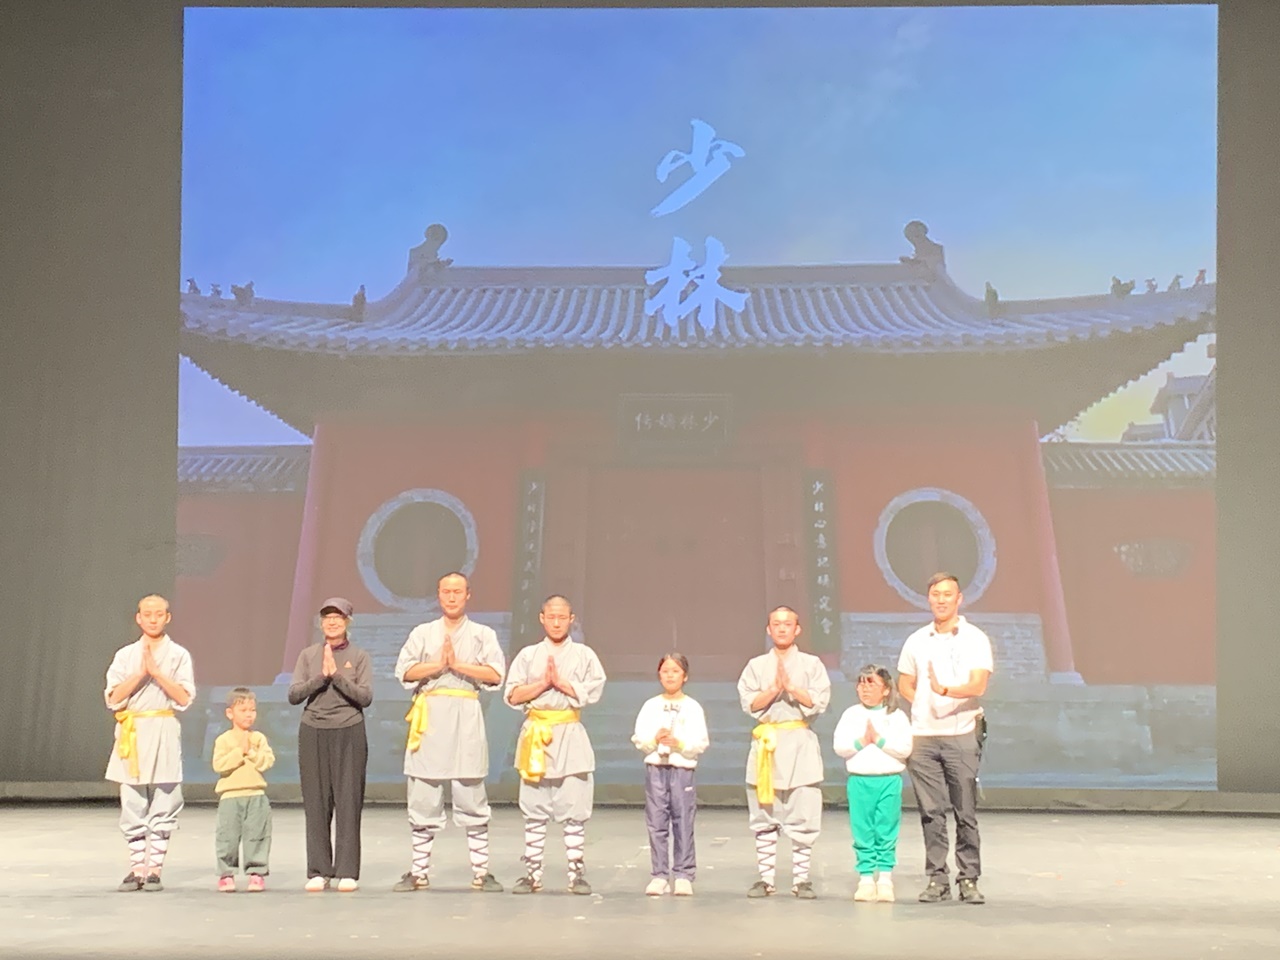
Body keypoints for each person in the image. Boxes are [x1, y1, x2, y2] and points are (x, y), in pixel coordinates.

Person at [393, 572, 506, 893]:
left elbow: (496, 674)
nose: (452, 597)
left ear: (468, 595)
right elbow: (405, 671)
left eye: (458, 591)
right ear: (439, 595)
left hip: (465, 715)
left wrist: (457, 665)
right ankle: (419, 871)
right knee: (424, 793)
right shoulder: (423, 633)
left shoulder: (482, 634)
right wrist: (438, 665)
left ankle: (481, 871)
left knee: (471, 791)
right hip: (430, 718)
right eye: (446, 591)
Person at [897, 572, 994, 905]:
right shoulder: (916, 640)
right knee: (931, 812)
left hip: (961, 734)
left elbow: (979, 685)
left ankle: (968, 878)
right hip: (923, 737)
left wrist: (944, 691)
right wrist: (922, 702)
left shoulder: (975, 638)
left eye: (947, 594)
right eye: (935, 594)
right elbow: (904, 682)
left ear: (959, 599)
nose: (941, 600)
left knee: (964, 812)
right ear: (929, 599)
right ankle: (937, 878)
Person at [504, 595, 606, 895]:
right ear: (542, 619)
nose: (557, 622)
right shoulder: (528, 655)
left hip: (569, 732)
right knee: (534, 808)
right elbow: (512, 695)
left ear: (571, 619)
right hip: (536, 732)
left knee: (574, 805)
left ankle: (576, 873)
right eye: (552, 617)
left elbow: (595, 689)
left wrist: (562, 684)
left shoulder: (584, 655)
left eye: (563, 617)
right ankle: (532, 873)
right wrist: (543, 684)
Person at [736, 606, 831, 899]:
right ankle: (766, 879)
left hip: (800, 742)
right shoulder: (755, 665)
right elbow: (749, 703)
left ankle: (801, 880)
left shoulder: (812, 664)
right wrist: (774, 690)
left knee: (804, 811)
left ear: (797, 629)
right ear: (768, 629)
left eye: (787, 624)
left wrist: (791, 687)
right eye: (776, 624)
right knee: (765, 813)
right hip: (768, 742)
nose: (781, 628)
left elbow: (819, 701)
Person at [104, 594, 196, 892]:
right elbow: (113, 697)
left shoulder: (178, 655)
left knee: (166, 797)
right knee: (132, 800)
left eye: (159, 614)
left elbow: (184, 698)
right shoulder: (125, 655)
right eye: (148, 614)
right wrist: (141, 673)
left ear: (167, 617)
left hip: (163, 727)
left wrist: (157, 673)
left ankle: (154, 869)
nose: (153, 619)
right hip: (133, 729)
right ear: (139, 618)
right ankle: (136, 869)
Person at [287, 597, 373, 893]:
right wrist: (320, 678)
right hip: (313, 731)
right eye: (327, 617)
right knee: (316, 803)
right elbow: (294, 695)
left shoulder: (359, 656)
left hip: (349, 730)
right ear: (321, 622)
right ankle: (319, 870)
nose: (332, 622)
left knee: (348, 801)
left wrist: (336, 676)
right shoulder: (308, 655)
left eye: (338, 617)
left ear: (348, 621)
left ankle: (347, 870)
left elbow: (365, 697)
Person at [832, 665, 913, 903]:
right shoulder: (851, 715)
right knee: (863, 830)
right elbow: (840, 747)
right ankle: (866, 878)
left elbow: (905, 749)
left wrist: (878, 740)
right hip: (860, 781)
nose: (865, 689)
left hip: (888, 781)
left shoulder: (896, 717)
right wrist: (862, 741)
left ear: (886, 689)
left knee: (886, 829)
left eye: (871, 684)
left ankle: (885, 879)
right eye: (861, 684)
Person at [631, 652, 709, 897]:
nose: (670, 676)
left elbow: (701, 742)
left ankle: (684, 874)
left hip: (682, 770)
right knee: (657, 822)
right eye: (665, 671)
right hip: (656, 769)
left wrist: (680, 744)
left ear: (684, 676)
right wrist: (654, 740)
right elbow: (639, 738)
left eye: (675, 671)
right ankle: (660, 875)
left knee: (683, 821)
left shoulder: (692, 707)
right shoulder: (650, 705)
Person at [212, 687, 276, 892]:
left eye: (252, 710)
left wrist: (252, 752)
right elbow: (219, 765)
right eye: (243, 710)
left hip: (256, 795)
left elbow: (267, 761)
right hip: (230, 797)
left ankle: (256, 873)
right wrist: (240, 751)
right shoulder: (223, 740)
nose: (249, 715)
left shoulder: (258, 738)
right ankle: (226, 874)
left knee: (257, 835)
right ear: (230, 713)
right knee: (227, 837)